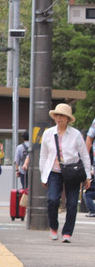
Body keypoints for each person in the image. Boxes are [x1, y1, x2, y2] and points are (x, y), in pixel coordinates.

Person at [39, 103, 93, 242]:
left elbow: (84, 155)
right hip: (54, 171)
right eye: (56, 115)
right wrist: (43, 175)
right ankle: (53, 227)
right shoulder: (48, 133)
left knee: (72, 203)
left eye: (62, 115)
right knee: (52, 200)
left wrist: (88, 176)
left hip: (72, 171)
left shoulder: (75, 135)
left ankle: (67, 232)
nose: (58, 118)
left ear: (68, 118)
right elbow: (43, 156)